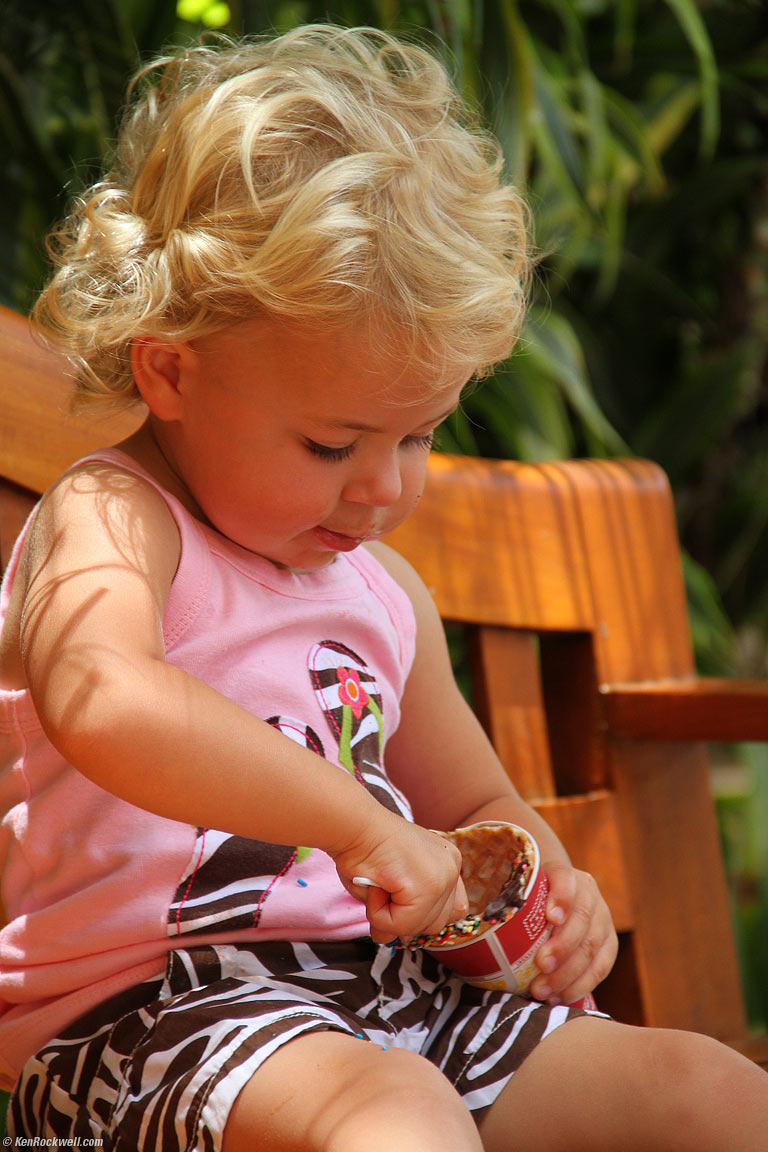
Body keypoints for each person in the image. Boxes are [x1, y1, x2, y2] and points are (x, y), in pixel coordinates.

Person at [0, 23, 765, 1152]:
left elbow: (479, 814)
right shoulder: (116, 520)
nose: (383, 489)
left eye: (419, 437)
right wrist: (360, 828)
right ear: (169, 369)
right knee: (395, 1113)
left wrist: (544, 896)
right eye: (330, 443)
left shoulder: (384, 594)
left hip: (396, 1004)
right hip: (142, 1022)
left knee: (703, 1091)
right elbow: (104, 697)